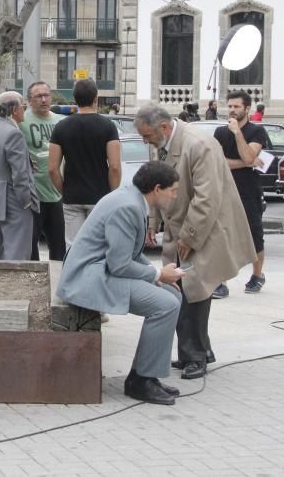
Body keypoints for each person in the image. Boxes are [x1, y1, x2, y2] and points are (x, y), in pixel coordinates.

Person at [133, 104, 256, 380]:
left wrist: (189, 236)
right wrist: (152, 222)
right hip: (179, 227)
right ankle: (197, 350)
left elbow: (206, 198)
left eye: (147, 136)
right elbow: (156, 183)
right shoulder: (163, 140)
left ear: (163, 127)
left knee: (193, 292)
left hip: (204, 228)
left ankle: (195, 356)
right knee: (176, 288)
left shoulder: (199, 145)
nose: (145, 141)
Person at [57, 161, 184, 405]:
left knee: (172, 295)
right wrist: (157, 275)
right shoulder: (128, 207)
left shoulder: (131, 197)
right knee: (166, 304)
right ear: (157, 188)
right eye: (173, 190)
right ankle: (141, 381)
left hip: (99, 272)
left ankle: (145, 375)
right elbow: (120, 265)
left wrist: (158, 274)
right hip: (88, 278)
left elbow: (130, 254)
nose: (175, 195)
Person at [48, 78, 121, 245]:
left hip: (72, 196)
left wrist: (64, 190)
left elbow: (52, 168)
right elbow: (115, 167)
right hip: (100, 197)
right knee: (98, 247)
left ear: (75, 99)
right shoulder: (108, 126)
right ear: (96, 98)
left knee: (73, 248)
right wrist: (113, 194)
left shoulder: (61, 127)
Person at [213, 90, 269, 297]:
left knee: (254, 235)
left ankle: (257, 275)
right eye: (230, 106)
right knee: (223, 234)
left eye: (236, 107)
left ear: (247, 109)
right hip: (225, 188)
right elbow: (218, 161)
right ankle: (222, 281)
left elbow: (248, 155)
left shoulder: (256, 132)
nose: (232, 111)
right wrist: (244, 163)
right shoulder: (219, 132)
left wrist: (237, 133)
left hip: (249, 191)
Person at [0, 91, 38, 261]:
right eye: (23, 106)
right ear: (14, 109)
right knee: (18, 252)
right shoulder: (14, 133)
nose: (25, 110)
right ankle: (16, 287)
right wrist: (26, 201)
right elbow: (19, 174)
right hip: (14, 199)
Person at [21, 81, 66, 261]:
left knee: (59, 246)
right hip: (33, 194)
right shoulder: (21, 121)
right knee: (31, 245)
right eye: (38, 96)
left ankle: (58, 283)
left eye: (46, 95)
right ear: (29, 100)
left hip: (57, 192)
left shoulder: (60, 122)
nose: (44, 99)